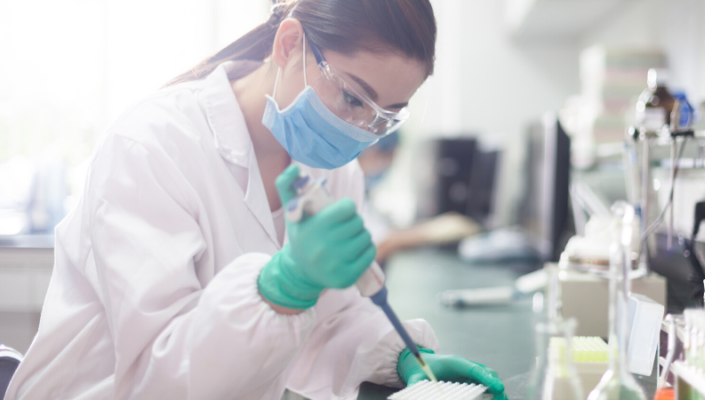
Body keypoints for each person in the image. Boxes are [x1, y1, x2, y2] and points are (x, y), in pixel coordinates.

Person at [5, 0, 508, 399]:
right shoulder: (153, 146)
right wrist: (277, 287)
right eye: (353, 98)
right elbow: (155, 378)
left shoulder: (334, 172)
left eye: (384, 117)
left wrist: (398, 356)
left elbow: (325, 324)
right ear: (290, 44)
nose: (360, 132)